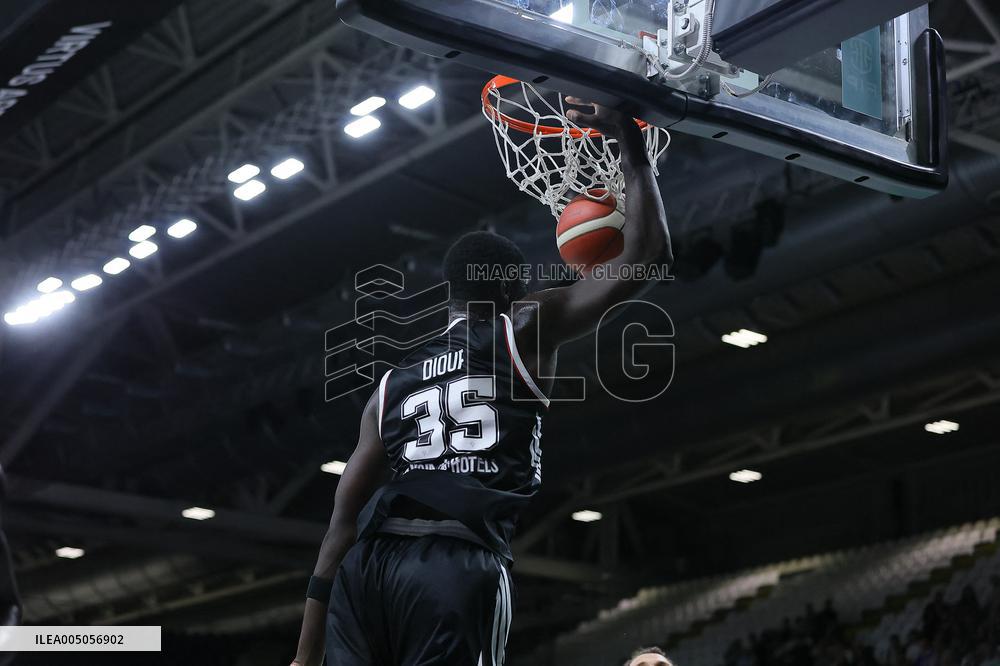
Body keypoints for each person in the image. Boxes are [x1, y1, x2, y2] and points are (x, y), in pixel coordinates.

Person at [288, 99, 671, 665]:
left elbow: (339, 529)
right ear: (513, 292)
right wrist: (626, 139)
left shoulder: (389, 387)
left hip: (364, 573)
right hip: (454, 564)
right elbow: (649, 254)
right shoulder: (524, 325)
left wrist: (304, 656)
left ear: (451, 297)